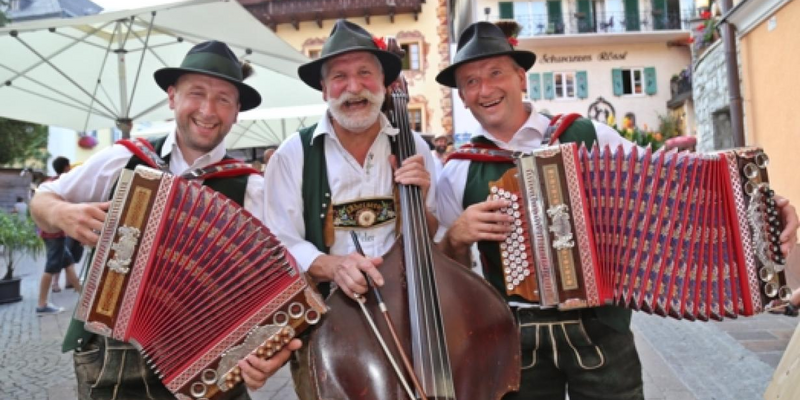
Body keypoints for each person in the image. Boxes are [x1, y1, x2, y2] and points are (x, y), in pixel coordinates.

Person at [433, 21, 800, 400]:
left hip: (601, 328)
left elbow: (678, 188)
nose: (485, 89)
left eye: (496, 73)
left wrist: (763, 212)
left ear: (521, 77)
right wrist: (456, 237)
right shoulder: (458, 170)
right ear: (462, 97)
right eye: (471, 81)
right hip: (514, 338)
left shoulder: (589, 135)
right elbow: (447, 271)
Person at [30, 41, 298, 400]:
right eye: (196, 93)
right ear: (172, 97)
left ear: (236, 112)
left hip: (211, 363)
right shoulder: (123, 159)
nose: (208, 110)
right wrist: (61, 213)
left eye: (223, 99)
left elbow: (286, 288)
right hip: (114, 361)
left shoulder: (253, 188)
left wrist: (274, 352)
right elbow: (43, 198)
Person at [263, 19, 437, 399]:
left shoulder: (417, 149)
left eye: (365, 73)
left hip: (409, 318)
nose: (354, 87)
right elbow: (279, 242)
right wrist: (334, 266)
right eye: (339, 77)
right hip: (326, 322)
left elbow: (433, 238)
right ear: (324, 89)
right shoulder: (293, 154)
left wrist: (419, 203)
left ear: (384, 83)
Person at [35, 156, 83, 314]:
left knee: (69, 264)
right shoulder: (60, 183)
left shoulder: (50, 183)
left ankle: (85, 299)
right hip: (53, 234)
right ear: (66, 167)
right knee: (51, 267)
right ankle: (42, 304)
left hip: (54, 233)